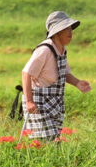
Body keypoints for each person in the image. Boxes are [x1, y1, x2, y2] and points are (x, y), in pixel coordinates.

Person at [21, 10, 91, 141]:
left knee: (54, 140)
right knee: (46, 140)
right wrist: (29, 101)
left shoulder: (62, 50)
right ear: (57, 32)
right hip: (38, 102)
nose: (71, 33)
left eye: (71, 29)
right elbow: (26, 73)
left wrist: (78, 83)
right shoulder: (44, 50)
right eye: (67, 29)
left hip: (54, 102)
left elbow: (64, 73)